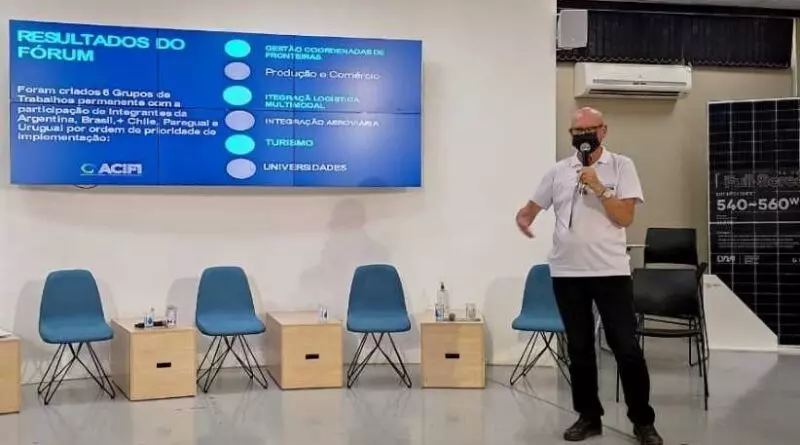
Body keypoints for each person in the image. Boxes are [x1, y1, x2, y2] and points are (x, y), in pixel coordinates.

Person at [515, 107, 663, 445]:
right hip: (567, 273)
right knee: (579, 348)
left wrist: (600, 187)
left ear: (603, 131)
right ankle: (588, 416)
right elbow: (531, 208)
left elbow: (625, 217)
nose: (582, 137)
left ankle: (643, 421)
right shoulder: (558, 171)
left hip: (610, 272)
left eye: (589, 130)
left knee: (626, 347)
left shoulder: (621, 166)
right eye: (576, 132)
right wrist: (523, 217)